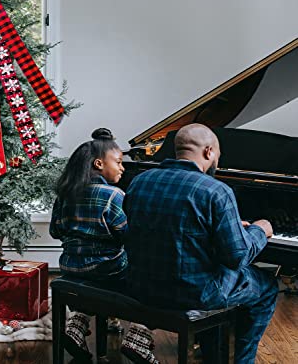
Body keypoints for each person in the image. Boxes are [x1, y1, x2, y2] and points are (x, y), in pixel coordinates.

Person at [123, 123, 278, 364]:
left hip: (141, 285)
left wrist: (229, 227)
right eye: (218, 154)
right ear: (208, 152)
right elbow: (237, 258)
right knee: (266, 286)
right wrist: (260, 229)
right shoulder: (216, 190)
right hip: (192, 294)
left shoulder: (139, 182)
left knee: (211, 270)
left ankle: (213, 352)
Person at [50, 128, 159, 363]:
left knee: (94, 275)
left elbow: (55, 231)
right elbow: (128, 237)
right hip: (109, 272)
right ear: (99, 164)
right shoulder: (114, 195)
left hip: (70, 269)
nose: (123, 167)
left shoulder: (65, 195)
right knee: (156, 276)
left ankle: (76, 325)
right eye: (118, 162)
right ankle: (139, 335)